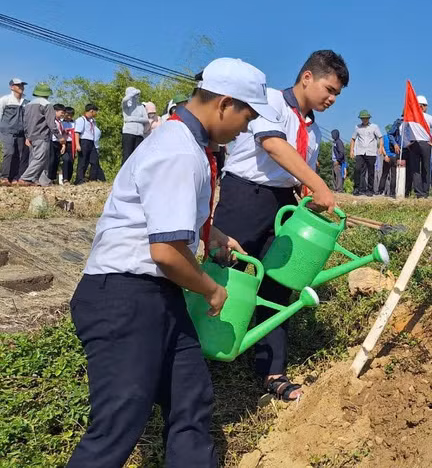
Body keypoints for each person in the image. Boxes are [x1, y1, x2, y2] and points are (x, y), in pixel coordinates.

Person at [66, 57, 275, 468]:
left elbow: (161, 219)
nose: (246, 128)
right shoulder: (179, 151)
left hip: (157, 296)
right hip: (124, 295)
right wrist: (212, 289)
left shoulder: (186, 146)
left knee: (189, 398)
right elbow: (164, 253)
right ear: (224, 104)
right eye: (246, 116)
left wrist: (208, 233)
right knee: (117, 424)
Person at [213, 50, 343, 402]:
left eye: (336, 95)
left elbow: (297, 173)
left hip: (283, 205)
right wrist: (319, 184)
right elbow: (273, 145)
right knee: (228, 273)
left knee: (277, 287)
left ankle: (272, 372)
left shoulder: (313, 130)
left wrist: (310, 195)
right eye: (329, 89)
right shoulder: (267, 100)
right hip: (246, 197)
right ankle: (203, 352)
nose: (331, 99)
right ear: (306, 78)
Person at [401, 95, 432, 198]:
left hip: (413, 144)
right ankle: (425, 192)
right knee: (426, 168)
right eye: (425, 106)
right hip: (426, 144)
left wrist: (406, 142)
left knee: (415, 169)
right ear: (422, 106)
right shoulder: (428, 117)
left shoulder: (410, 117)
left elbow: (402, 129)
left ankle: (419, 193)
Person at [20, 83, 57, 186]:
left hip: (31, 135)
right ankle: (25, 178)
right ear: (47, 94)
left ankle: (40, 181)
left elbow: (25, 122)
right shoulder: (47, 104)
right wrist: (59, 136)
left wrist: (27, 136)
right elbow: (51, 123)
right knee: (40, 158)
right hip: (42, 135)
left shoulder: (28, 105)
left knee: (36, 158)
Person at [0, 78, 29, 185]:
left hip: (22, 132)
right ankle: (4, 177)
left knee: (20, 155)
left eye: (22, 85)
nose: (21, 87)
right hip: (7, 131)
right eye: (18, 85)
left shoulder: (26, 102)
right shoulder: (5, 100)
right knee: (9, 152)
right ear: (12, 87)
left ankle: (15, 177)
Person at [350, 109, 383, 196]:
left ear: (368, 118)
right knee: (357, 169)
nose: (364, 120)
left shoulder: (374, 127)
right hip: (360, 152)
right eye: (363, 118)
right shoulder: (357, 127)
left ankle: (370, 189)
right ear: (360, 119)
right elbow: (353, 139)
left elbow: (380, 137)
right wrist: (351, 150)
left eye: (366, 118)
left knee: (371, 171)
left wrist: (380, 147)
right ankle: (357, 188)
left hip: (371, 152)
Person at [74, 103, 103, 184]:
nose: (96, 114)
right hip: (84, 141)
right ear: (91, 111)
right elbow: (77, 133)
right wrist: (77, 144)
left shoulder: (92, 121)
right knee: (83, 161)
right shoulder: (81, 120)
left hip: (91, 142)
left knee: (94, 161)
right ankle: (79, 179)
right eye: (95, 112)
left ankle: (93, 179)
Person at [121, 87, 150, 164]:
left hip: (139, 134)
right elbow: (124, 100)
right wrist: (133, 93)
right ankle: (124, 175)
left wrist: (133, 118)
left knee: (138, 157)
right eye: (135, 94)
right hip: (129, 133)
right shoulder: (127, 106)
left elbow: (146, 119)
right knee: (127, 155)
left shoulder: (141, 106)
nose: (137, 96)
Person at [379, 123, 400, 197]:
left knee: (384, 175)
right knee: (393, 176)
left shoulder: (384, 137)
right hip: (394, 157)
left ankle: (380, 191)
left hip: (387, 157)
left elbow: (382, 147)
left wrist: (385, 155)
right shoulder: (395, 138)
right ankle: (392, 193)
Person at [47, 103, 66, 183]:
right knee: (50, 160)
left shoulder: (60, 122)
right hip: (51, 141)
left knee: (56, 160)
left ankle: (53, 178)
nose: (63, 114)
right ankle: (48, 178)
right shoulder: (50, 120)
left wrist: (63, 144)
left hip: (58, 142)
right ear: (56, 111)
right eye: (61, 112)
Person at [60, 107, 76, 183]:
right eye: (67, 114)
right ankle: (65, 178)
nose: (69, 117)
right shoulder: (61, 122)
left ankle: (69, 178)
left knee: (71, 161)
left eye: (71, 115)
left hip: (72, 144)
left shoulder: (75, 123)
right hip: (63, 143)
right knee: (65, 160)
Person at [331, 128, 346, 192]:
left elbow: (341, 153)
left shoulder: (339, 142)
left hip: (338, 162)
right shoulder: (335, 142)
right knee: (334, 176)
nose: (332, 136)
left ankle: (339, 189)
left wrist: (338, 160)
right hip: (334, 161)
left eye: (333, 134)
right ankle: (336, 188)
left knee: (338, 176)